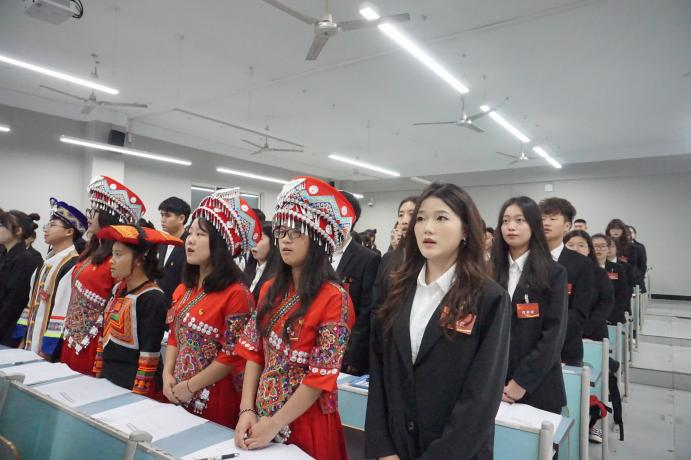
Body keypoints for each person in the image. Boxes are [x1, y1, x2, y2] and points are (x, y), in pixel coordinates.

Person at [365, 183, 511, 460]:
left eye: (441, 218)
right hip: (397, 447)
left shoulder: (489, 298)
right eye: (420, 218)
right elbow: (380, 370)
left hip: (456, 451)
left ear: (465, 230)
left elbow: (481, 397)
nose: (427, 228)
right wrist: (383, 448)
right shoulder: (395, 289)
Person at [235, 176, 355, 460]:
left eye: (297, 232)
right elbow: (255, 353)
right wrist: (246, 410)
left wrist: (274, 423)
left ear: (318, 239)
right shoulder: (270, 289)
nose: (285, 240)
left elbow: (320, 375)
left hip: (306, 420)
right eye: (281, 232)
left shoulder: (334, 298)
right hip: (261, 416)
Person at [163, 188, 260, 428]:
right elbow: (174, 335)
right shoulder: (184, 289)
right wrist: (167, 374)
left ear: (220, 244)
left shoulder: (237, 295)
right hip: (177, 390)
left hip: (214, 397)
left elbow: (232, 355)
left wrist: (190, 386)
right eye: (190, 233)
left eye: (200, 234)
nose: (190, 240)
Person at [61, 176, 146, 375]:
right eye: (90, 210)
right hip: (73, 336)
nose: (89, 216)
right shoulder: (90, 251)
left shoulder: (116, 261)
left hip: (95, 341)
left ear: (109, 217)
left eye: (95, 211)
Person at [492, 196, 568, 414]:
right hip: (493, 382)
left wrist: (521, 382)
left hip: (537, 385)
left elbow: (554, 335)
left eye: (519, 220)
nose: (511, 226)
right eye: (505, 221)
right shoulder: (488, 271)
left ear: (534, 225)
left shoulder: (553, 273)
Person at [93, 225, 182, 397]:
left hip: (133, 385)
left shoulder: (153, 298)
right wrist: (98, 373)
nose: (111, 260)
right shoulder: (118, 289)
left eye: (118, 254)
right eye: (112, 254)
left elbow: (149, 354)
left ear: (139, 259)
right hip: (108, 378)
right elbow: (103, 337)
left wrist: (138, 394)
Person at [13, 198, 87, 359]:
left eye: (52, 225)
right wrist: (23, 338)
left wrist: (47, 350)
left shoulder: (72, 264)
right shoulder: (45, 262)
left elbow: (62, 311)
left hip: (47, 351)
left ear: (69, 232)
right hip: (29, 343)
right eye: (47, 225)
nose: (46, 229)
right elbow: (31, 303)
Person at [539, 197, 593, 366]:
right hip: (526, 347)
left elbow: (579, 311)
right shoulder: (527, 259)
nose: (546, 223)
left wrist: (549, 337)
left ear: (567, 226)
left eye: (553, 218)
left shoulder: (581, 263)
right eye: (542, 218)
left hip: (565, 348)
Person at [334, 191, 381, 376]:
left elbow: (366, 312)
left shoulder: (367, 259)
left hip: (345, 355)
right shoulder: (315, 253)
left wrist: (352, 356)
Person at [0, 210, 42, 344]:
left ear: (18, 231)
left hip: (7, 332)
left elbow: (13, 303)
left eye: (2, 225)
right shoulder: (5, 254)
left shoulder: (25, 260)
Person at [564, 230, 614, 342]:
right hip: (562, 331)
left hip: (593, 331)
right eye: (570, 245)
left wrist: (586, 328)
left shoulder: (599, 273)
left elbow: (606, 302)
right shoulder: (558, 272)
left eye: (581, 245)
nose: (576, 249)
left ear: (589, 250)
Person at [157, 197, 191, 309]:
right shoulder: (162, 242)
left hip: (180, 305)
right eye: (162, 215)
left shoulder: (190, 244)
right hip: (160, 304)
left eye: (167, 215)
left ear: (181, 218)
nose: (162, 220)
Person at [592, 234, 630, 324]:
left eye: (603, 246)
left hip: (613, 316)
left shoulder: (618, 269)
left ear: (608, 249)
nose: (599, 249)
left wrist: (608, 315)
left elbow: (623, 294)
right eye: (595, 246)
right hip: (590, 317)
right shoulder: (584, 268)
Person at [244, 222, 280, 301]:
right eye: (253, 239)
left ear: (273, 242)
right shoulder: (249, 270)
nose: (254, 243)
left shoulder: (276, 277)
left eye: (259, 239)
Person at [628, 225, 647, 293]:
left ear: (635, 234)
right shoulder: (618, 246)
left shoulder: (639, 247)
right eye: (627, 233)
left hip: (636, 278)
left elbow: (643, 264)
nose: (629, 235)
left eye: (631, 232)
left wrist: (640, 276)